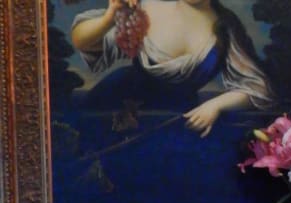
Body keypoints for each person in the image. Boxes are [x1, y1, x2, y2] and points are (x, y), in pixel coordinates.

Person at [70, 0, 273, 138]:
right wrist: (108, 18)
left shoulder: (226, 26)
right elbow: (81, 41)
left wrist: (215, 105)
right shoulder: (148, 8)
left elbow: (257, 87)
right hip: (117, 108)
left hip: (180, 120)